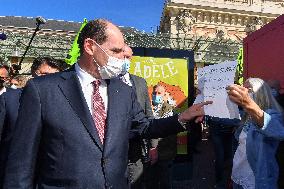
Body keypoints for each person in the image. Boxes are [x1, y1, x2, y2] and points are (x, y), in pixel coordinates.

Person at [3, 19, 211, 189]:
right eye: (116, 51)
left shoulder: (123, 91)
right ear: (90, 47)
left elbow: (144, 126)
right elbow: (21, 162)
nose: (123, 58)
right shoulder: (43, 90)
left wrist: (183, 117)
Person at [0, 56, 64, 188]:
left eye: (55, 76)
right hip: (12, 175)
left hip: (48, 178)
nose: (49, 80)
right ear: (34, 73)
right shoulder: (9, 99)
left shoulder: (63, 105)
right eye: (45, 74)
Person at [226, 78, 284, 189]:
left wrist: (249, 104)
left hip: (257, 180)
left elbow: (278, 131)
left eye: (249, 90)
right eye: (243, 89)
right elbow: (229, 118)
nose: (245, 93)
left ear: (260, 93)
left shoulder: (272, 114)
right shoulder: (246, 114)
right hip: (238, 174)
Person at [120, 45, 153, 188]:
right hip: (112, 153)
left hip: (136, 152)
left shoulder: (140, 82)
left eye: (129, 58)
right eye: (124, 57)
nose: (127, 61)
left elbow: (148, 115)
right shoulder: (103, 81)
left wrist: (153, 146)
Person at [148, 84, 176, 189]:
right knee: (152, 181)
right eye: (154, 93)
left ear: (165, 95)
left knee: (165, 181)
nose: (156, 95)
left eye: (159, 93)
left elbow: (161, 129)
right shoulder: (149, 107)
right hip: (151, 153)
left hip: (165, 152)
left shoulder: (168, 109)